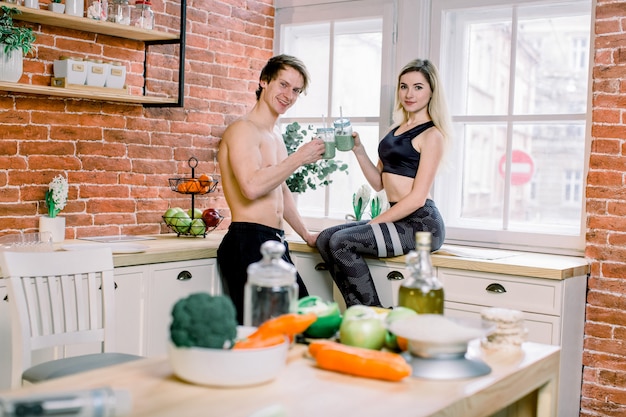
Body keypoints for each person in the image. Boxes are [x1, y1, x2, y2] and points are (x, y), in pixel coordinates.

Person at [316, 58, 452, 308]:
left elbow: (417, 198)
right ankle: (357, 312)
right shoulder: (395, 130)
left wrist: (373, 223)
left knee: (341, 241)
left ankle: (373, 312)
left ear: (432, 91)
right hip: (398, 219)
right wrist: (359, 150)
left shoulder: (432, 135)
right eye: (404, 86)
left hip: (421, 223)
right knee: (325, 238)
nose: (409, 94)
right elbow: (379, 183)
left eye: (418, 87)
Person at [217, 54, 326, 324]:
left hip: (275, 242)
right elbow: (251, 187)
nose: (289, 95)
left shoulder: (275, 136)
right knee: (261, 334)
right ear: (264, 81)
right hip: (247, 241)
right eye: (283, 84)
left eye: (296, 90)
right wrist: (299, 157)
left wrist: (307, 235)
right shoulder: (242, 130)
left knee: (301, 326)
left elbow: (282, 193)